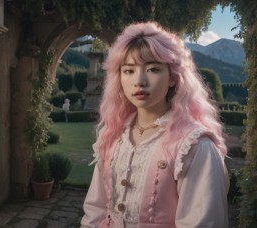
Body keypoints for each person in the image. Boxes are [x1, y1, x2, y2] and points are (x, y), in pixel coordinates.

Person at [81, 21, 229, 228]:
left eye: (152, 69)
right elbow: (95, 210)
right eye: (129, 70)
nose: (139, 80)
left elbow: (203, 222)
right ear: (119, 77)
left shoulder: (195, 146)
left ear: (173, 78)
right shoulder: (112, 135)